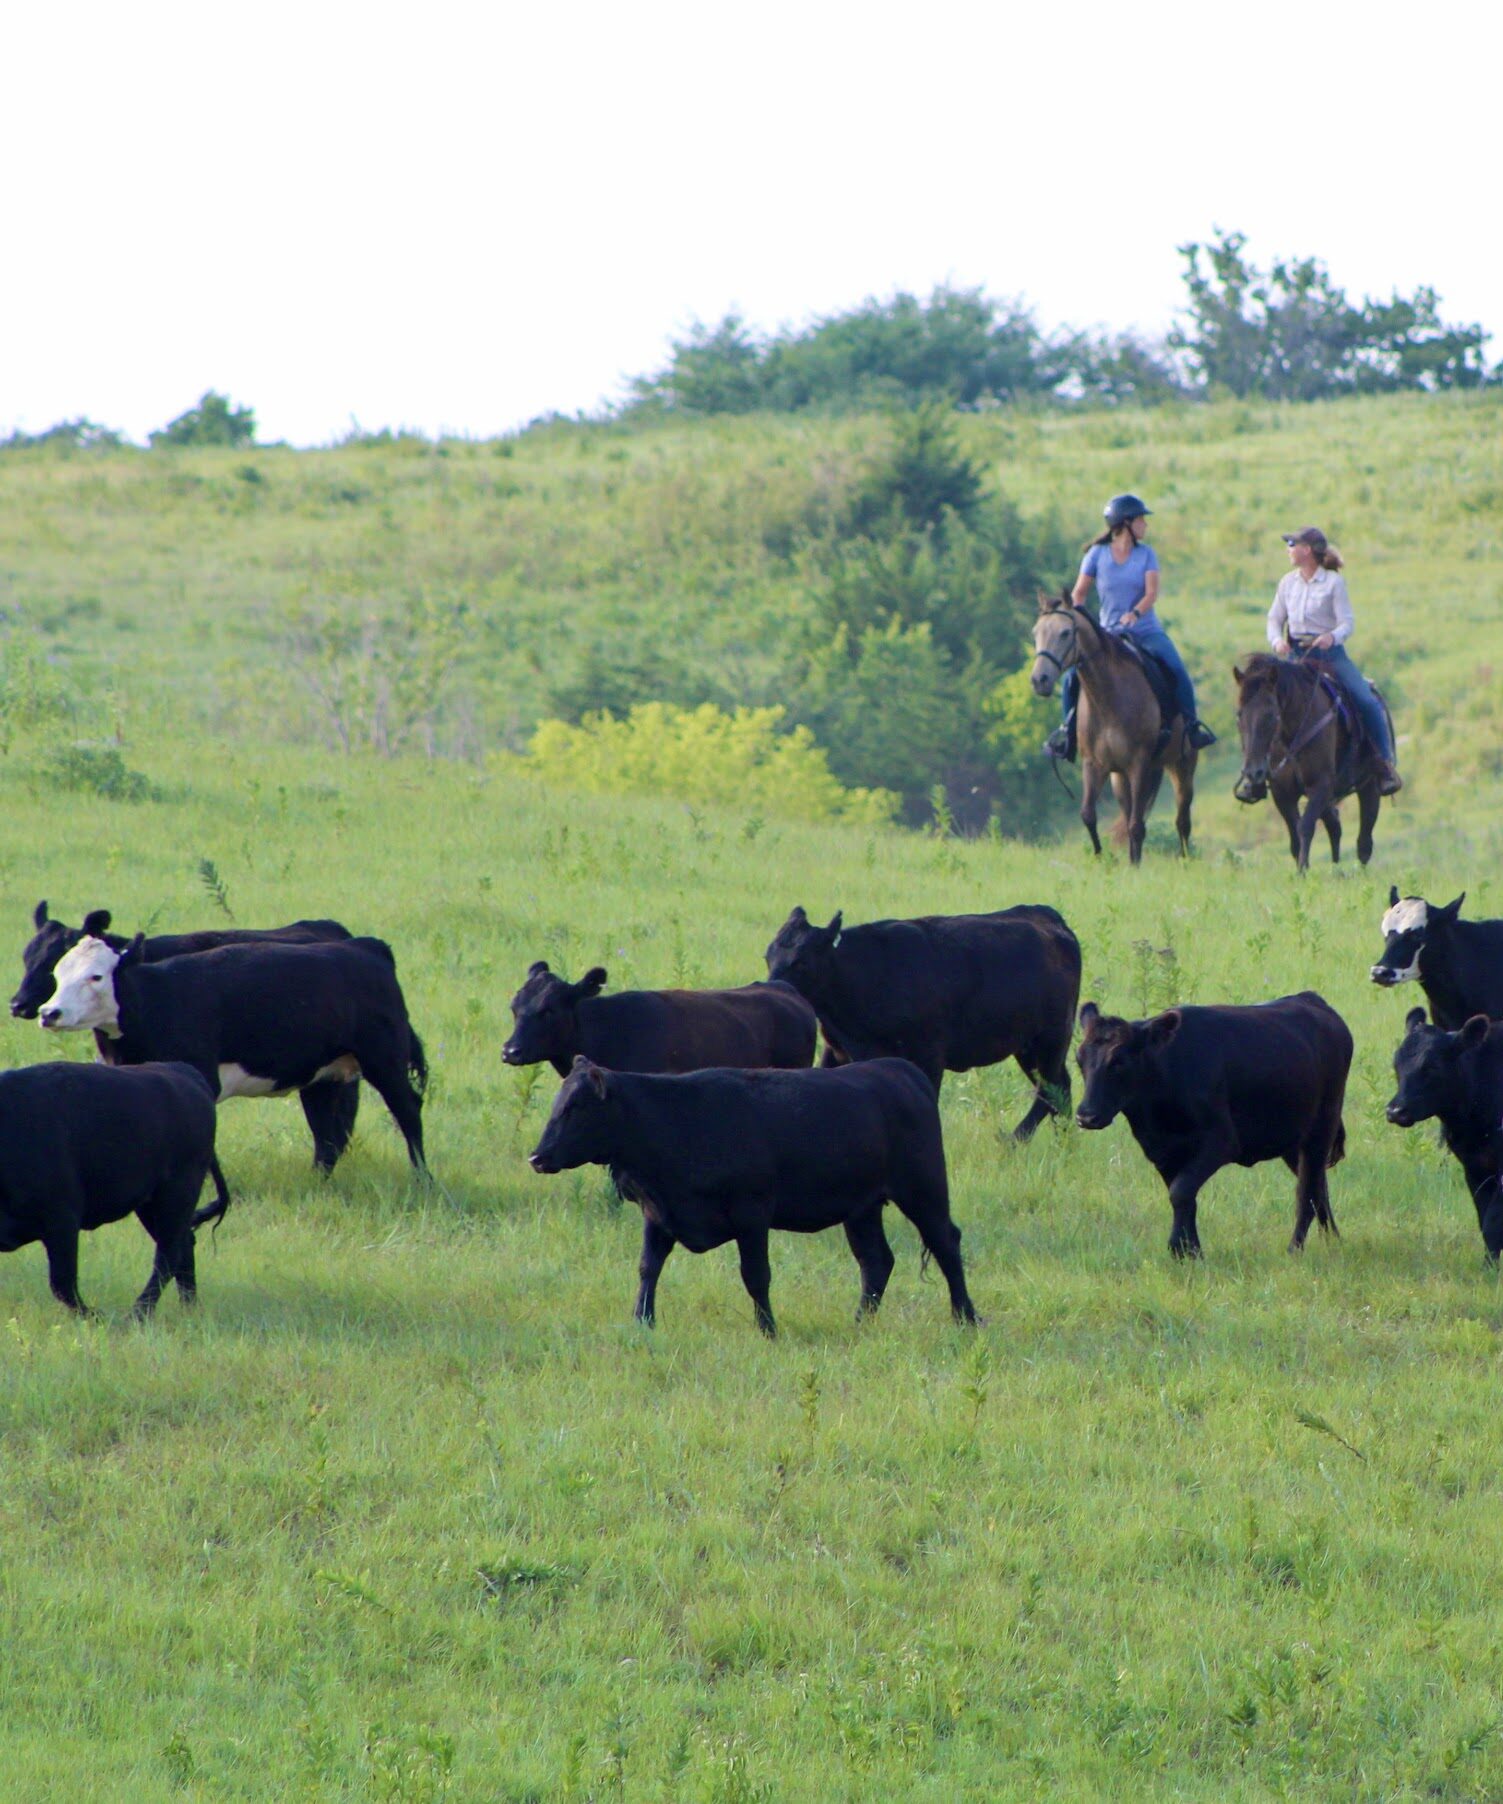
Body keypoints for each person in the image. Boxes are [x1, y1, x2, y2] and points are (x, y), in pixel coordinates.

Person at [1044, 493, 1216, 761]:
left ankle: (1192, 727)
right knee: (1071, 678)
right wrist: (1080, 619)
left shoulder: (1147, 555)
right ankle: (1067, 733)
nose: (1145, 525)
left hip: (1146, 631)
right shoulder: (1096, 555)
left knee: (1177, 669)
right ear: (1126, 524)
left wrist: (1135, 614)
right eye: (1140, 520)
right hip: (1107, 634)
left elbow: (1151, 593)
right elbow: (1078, 594)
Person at [1268, 526, 1401, 796]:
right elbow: (1274, 618)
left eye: (1293, 544)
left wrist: (1332, 636)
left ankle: (1383, 764)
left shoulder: (1333, 583)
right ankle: (1260, 770)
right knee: (1264, 702)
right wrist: (1277, 641)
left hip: (1329, 655)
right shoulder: (1287, 582)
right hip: (1296, 655)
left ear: (1307, 550)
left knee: (1365, 699)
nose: (1289, 549)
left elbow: (1347, 622)